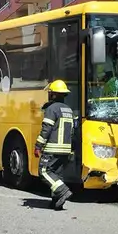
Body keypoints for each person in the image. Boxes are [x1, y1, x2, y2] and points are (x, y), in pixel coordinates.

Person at [34, 80, 75, 210]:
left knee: (44, 171)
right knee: (57, 175)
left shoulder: (52, 109)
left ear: (53, 94)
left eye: (50, 92)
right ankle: (57, 201)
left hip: (53, 148)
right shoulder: (69, 110)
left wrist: (38, 146)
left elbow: (46, 129)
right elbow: (73, 131)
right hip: (66, 150)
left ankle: (63, 191)